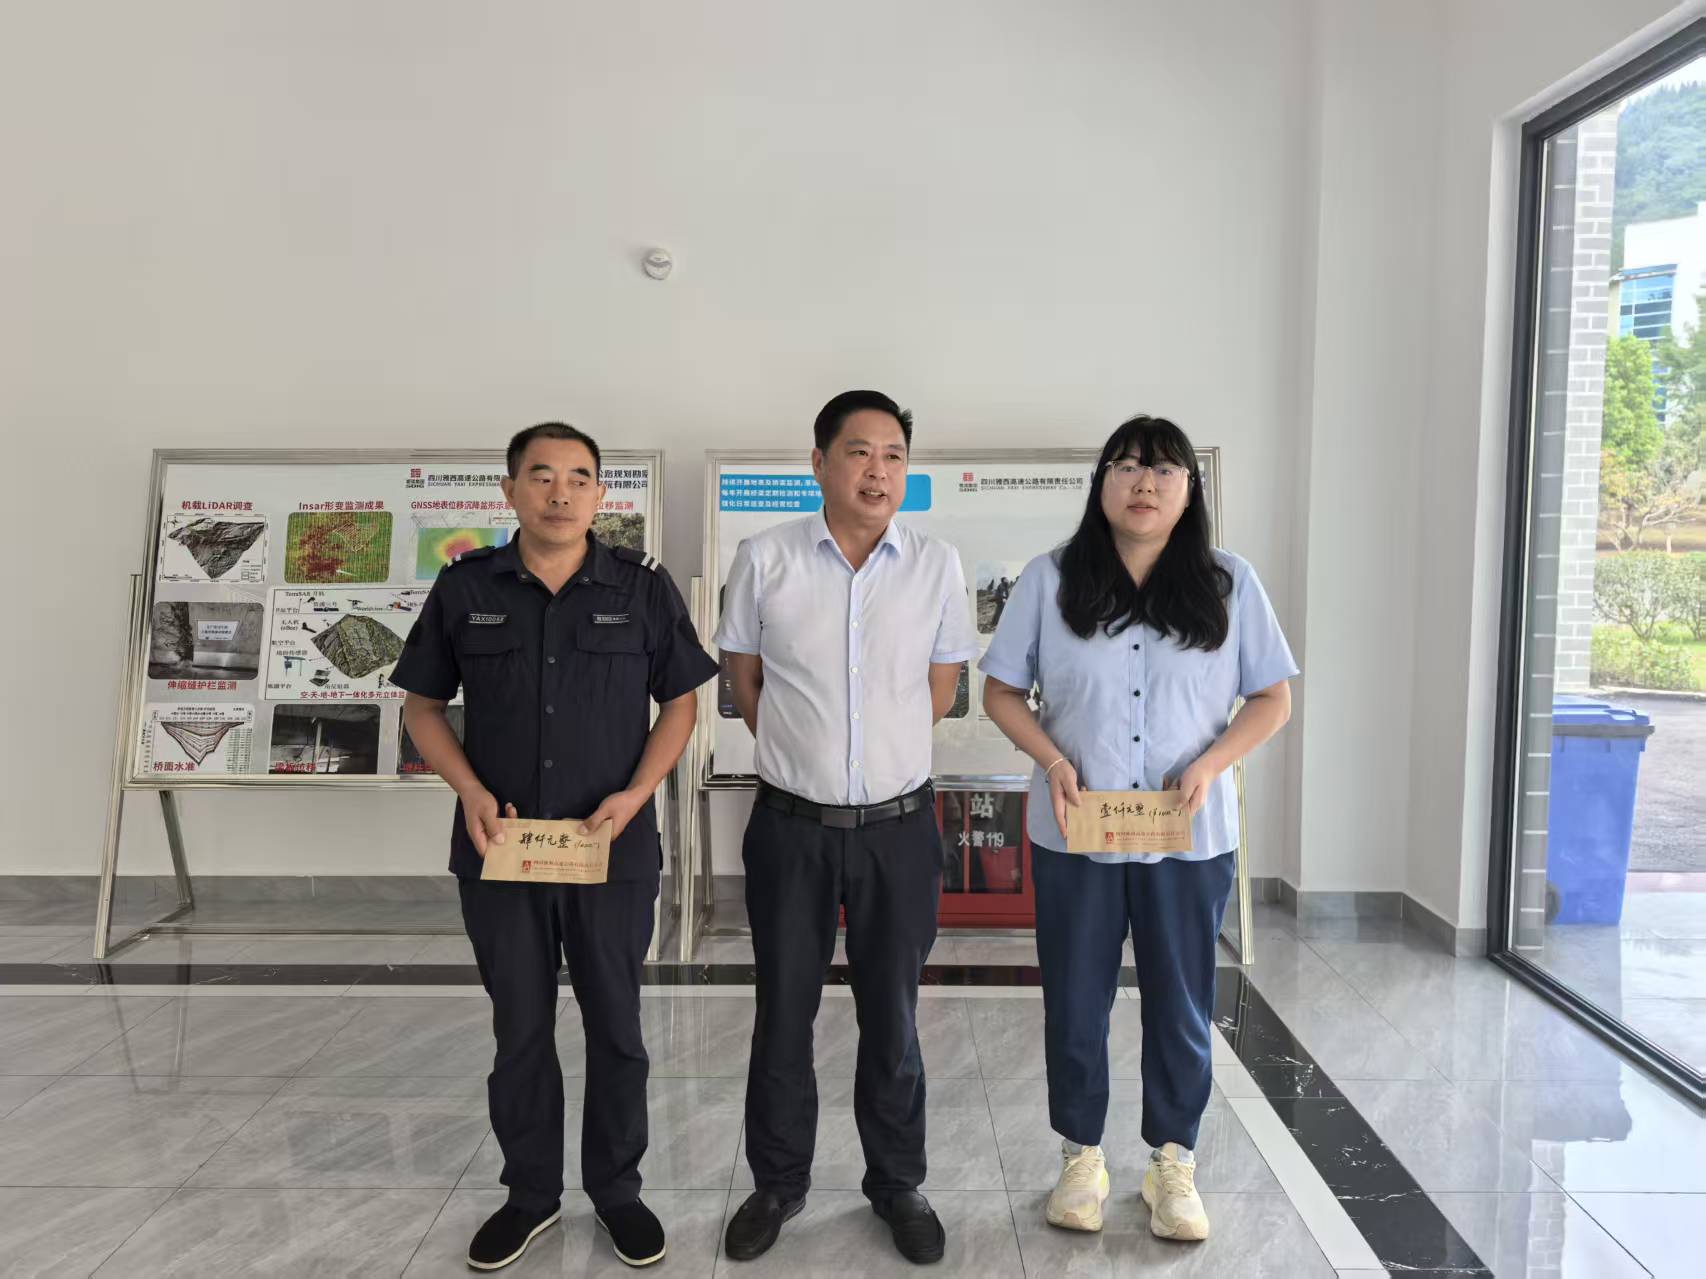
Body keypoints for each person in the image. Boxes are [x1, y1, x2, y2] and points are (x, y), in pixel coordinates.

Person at [392, 422, 717, 1271]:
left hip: (611, 853)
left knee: (618, 1027)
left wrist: (636, 794)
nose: (560, 492)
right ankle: (530, 1195)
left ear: (601, 494)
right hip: (500, 850)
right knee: (521, 1031)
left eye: (579, 476)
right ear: (510, 491)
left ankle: (618, 1192)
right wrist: (469, 790)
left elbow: (681, 702)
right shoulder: (466, 587)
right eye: (541, 475)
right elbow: (422, 706)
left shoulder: (641, 588)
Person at [979, 415, 1295, 1242]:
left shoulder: (1229, 583)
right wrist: (1052, 758)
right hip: (1075, 830)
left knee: (1182, 1000)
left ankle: (1172, 1162)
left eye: (1163, 469)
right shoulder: (1050, 579)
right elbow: (1001, 691)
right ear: (1102, 484)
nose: (1144, 482)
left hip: (1187, 835)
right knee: (1075, 998)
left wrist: (1212, 763)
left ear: (1190, 488)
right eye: (1125, 466)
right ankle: (1081, 1156)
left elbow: (1273, 698)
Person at [715, 390, 978, 1265]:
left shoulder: (936, 564)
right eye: (859, 451)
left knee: (892, 1016)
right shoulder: (766, 557)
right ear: (819, 462)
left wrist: (873, 761)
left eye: (894, 454)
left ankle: (897, 1182)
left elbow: (940, 689)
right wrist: (807, 756)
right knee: (782, 1012)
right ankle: (777, 1182)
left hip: (897, 830)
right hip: (790, 827)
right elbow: (744, 678)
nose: (878, 470)